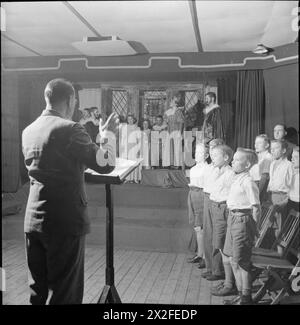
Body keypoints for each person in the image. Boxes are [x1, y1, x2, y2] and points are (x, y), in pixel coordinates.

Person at [21, 78, 118, 305]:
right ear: (70, 99)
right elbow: (106, 164)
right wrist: (108, 136)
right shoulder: (71, 128)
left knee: (38, 291)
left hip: (33, 221)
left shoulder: (29, 130)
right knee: (65, 294)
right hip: (64, 222)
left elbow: (56, 162)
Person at [223, 148, 260, 305]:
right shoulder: (237, 178)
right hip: (233, 219)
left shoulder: (248, 182)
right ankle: (240, 294)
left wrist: (254, 229)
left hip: (242, 222)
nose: (233, 161)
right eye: (234, 159)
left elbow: (256, 207)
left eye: (237, 160)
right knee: (232, 259)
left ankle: (246, 298)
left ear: (247, 164)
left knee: (241, 262)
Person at [208, 145, 236, 296]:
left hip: (223, 209)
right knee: (220, 246)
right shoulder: (217, 170)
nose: (212, 158)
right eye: (211, 155)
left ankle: (229, 284)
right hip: (215, 207)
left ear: (226, 158)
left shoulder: (230, 173)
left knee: (225, 248)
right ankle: (228, 281)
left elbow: (232, 194)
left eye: (216, 155)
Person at [201, 138, 225, 279]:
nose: (210, 150)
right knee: (208, 234)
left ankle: (218, 269)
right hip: (207, 198)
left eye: (214, 147)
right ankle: (210, 266)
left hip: (217, 201)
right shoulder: (210, 166)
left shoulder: (223, 168)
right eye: (209, 147)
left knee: (217, 235)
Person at [186, 143, 209, 269]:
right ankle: (199, 254)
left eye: (200, 153)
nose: (196, 154)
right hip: (192, 195)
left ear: (206, 155)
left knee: (202, 227)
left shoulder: (207, 168)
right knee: (196, 227)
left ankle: (205, 256)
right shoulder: (194, 168)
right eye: (196, 152)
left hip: (201, 195)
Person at [267, 139, 294, 241]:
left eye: (276, 148)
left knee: (281, 228)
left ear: (283, 150)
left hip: (282, 197)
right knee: (271, 227)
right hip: (272, 196)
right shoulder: (273, 164)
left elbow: (291, 186)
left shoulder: (289, 165)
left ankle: (281, 254)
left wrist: (285, 201)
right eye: (271, 148)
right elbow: (271, 182)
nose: (272, 151)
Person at [249, 134, 273, 202]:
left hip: (261, 186)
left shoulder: (268, 157)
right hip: (253, 184)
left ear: (267, 145)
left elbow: (264, 177)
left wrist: (257, 193)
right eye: (255, 143)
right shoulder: (256, 156)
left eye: (259, 143)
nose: (256, 145)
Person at [164, 93, 185, 168]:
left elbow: (181, 123)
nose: (170, 102)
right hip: (169, 132)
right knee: (169, 147)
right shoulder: (168, 112)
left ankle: (177, 164)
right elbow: (166, 123)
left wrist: (180, 132)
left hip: (176, 131)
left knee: (176, 148)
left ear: (175, 103)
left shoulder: (178, 112)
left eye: (171, 101)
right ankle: (170, 163)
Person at [287, 146, 299, 213]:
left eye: (296, 157)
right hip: (290, 202)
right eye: (292, 156)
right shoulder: (291, 172)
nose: (292, 159)